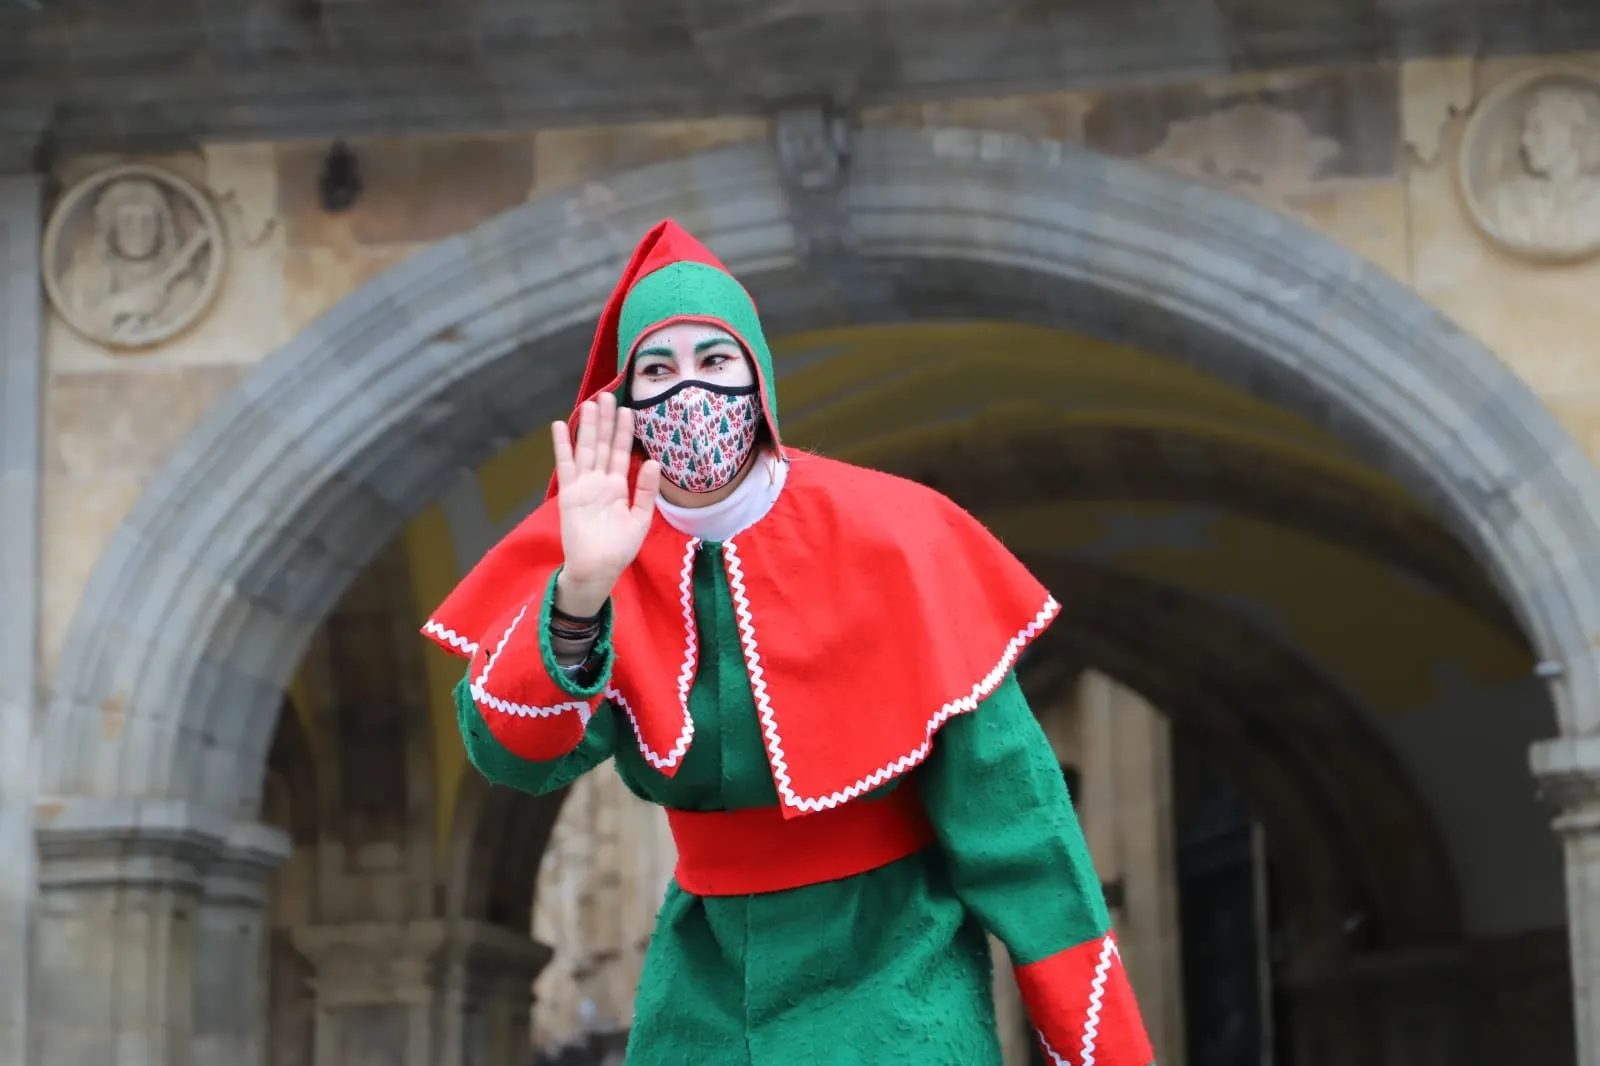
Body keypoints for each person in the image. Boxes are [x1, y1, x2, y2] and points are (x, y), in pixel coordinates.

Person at [423, 220, 1154, 1066]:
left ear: (759, 379)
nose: (688, 390)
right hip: (701, 982)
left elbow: (1021, 836)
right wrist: (581, 592)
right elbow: (513, 758)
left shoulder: (899, 535)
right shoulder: (594, 546)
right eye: (656, 370)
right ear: (624, 403)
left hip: (896, 969)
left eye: (714, 360)